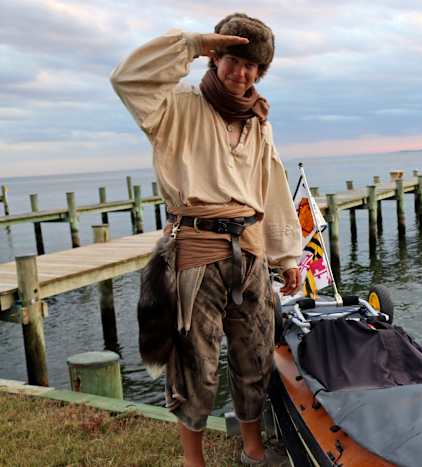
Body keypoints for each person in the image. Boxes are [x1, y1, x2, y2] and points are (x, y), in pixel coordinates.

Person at [111, 13, 301, 467]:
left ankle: (253, 449)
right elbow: (127, 79)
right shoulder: (175, 107)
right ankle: (193, 462)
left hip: (251, 254)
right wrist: (191, 43)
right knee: (195, 365)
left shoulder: (258, 121)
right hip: (196, 250)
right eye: (233, 59)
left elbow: (271, 187)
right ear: (215, 58)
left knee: (254, 358)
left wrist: (287, 255)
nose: (242, 73)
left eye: (252, 66)